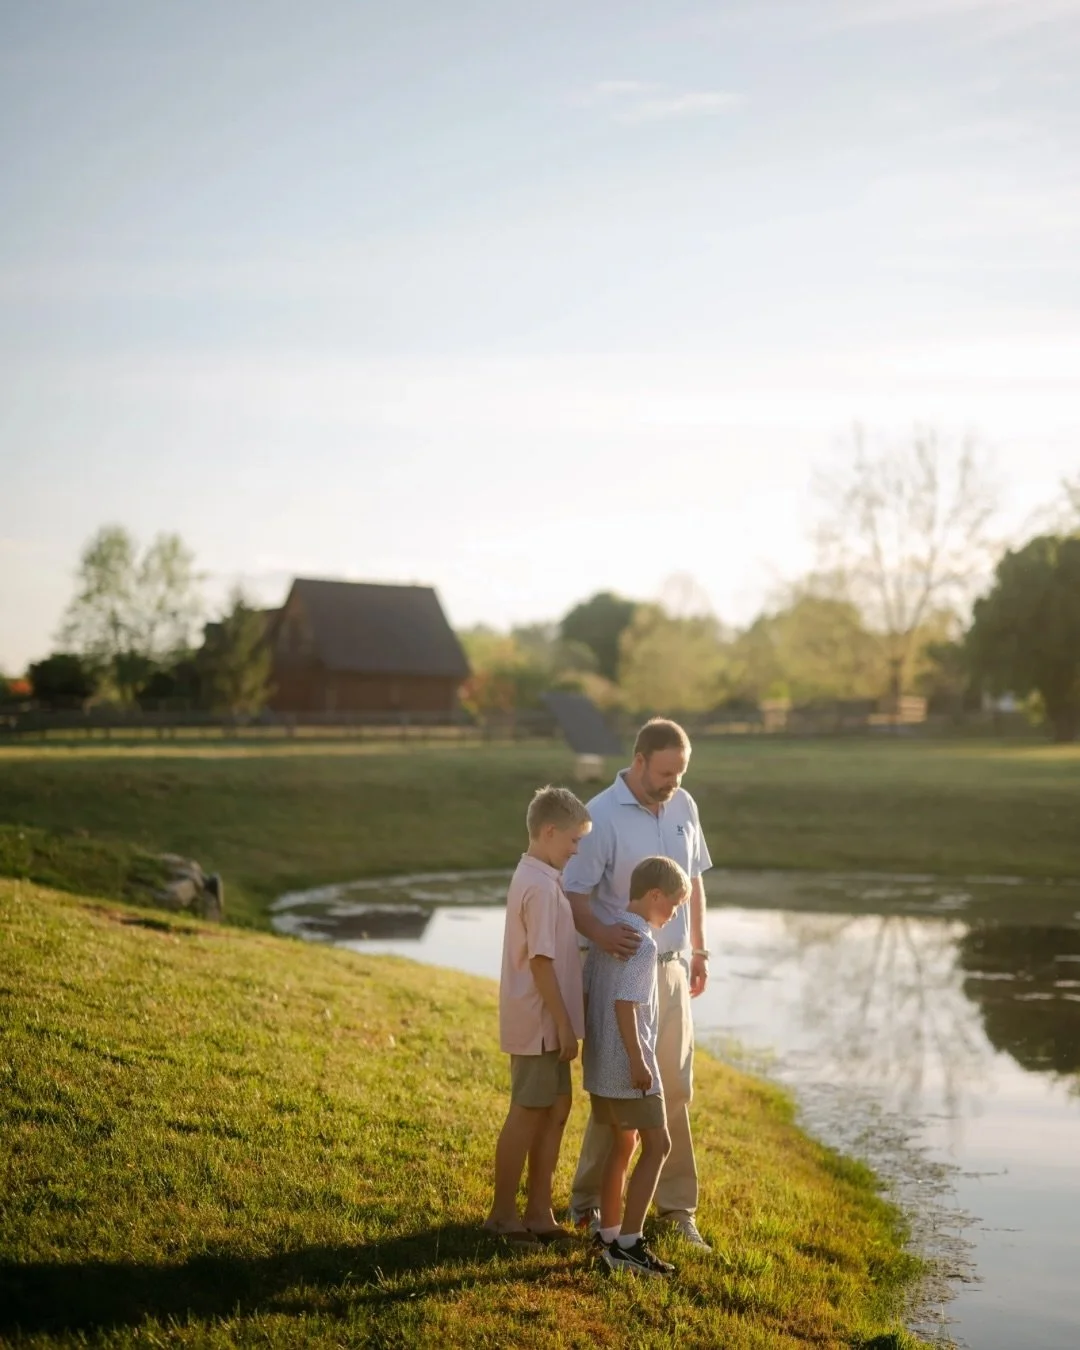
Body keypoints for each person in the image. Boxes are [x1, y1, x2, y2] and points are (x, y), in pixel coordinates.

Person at [564, 717, 714, 1249]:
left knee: (674, 1087)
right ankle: (586, 1204)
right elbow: (574, 893)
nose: (673, 782)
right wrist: (602, 934)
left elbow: (693, 881)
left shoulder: (684, 806)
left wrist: (697, 949)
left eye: (681, 772)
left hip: (672, 968)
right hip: (621, 969)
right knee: (619, 1088)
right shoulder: (600, 815)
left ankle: (677, 1210)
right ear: (640, 759)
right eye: (667, 772)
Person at [484, 785, 591, 1244]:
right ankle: (503, 1216)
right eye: (573, 840)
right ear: (549, 832)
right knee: (527, 1112)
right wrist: (565, 1025)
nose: (576, 849)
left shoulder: (540, 877)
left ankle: (539, 1213)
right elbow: (541, 963)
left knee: (556, 1110)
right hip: (541, 1024)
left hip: (548, 1024)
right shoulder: (540, 887)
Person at [584, 855, 690, 1277]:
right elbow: (625, 1004)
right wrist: (639, 1060)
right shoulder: (642, 945)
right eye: (675, 904)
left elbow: (595, 994)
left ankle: (609, 1236)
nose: (676, 912)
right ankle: (630, 1244)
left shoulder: (609, 935)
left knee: (622, 1145)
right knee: (658, 1146)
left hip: (602, 1065)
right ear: (655, 895)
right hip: (630, 1066)